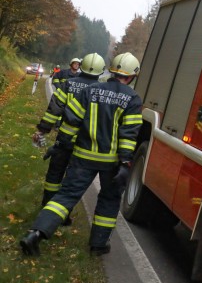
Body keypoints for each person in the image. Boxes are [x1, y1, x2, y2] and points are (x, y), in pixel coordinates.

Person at [20, 53, 143, 257]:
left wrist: (61, 145)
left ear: (111, 70)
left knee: (65, 196)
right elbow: (129, 133)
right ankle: (98, 245)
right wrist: (125, 161)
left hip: (82, 157)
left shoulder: (91, 90)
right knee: (109, 200)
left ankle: (35, 234)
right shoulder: (132, 99)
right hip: (110, 162)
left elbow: (72, 121)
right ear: (131, 77)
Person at [31, 53, 106, 224]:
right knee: (71, 183)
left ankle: (46, 208)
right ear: (101, 71)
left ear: (82, 66)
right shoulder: (101, 91)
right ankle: (63, 216)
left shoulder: (69, 84)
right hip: (84, 145)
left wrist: (42, 130)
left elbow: (54, 110)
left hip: (64, 139)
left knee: (54, 174)